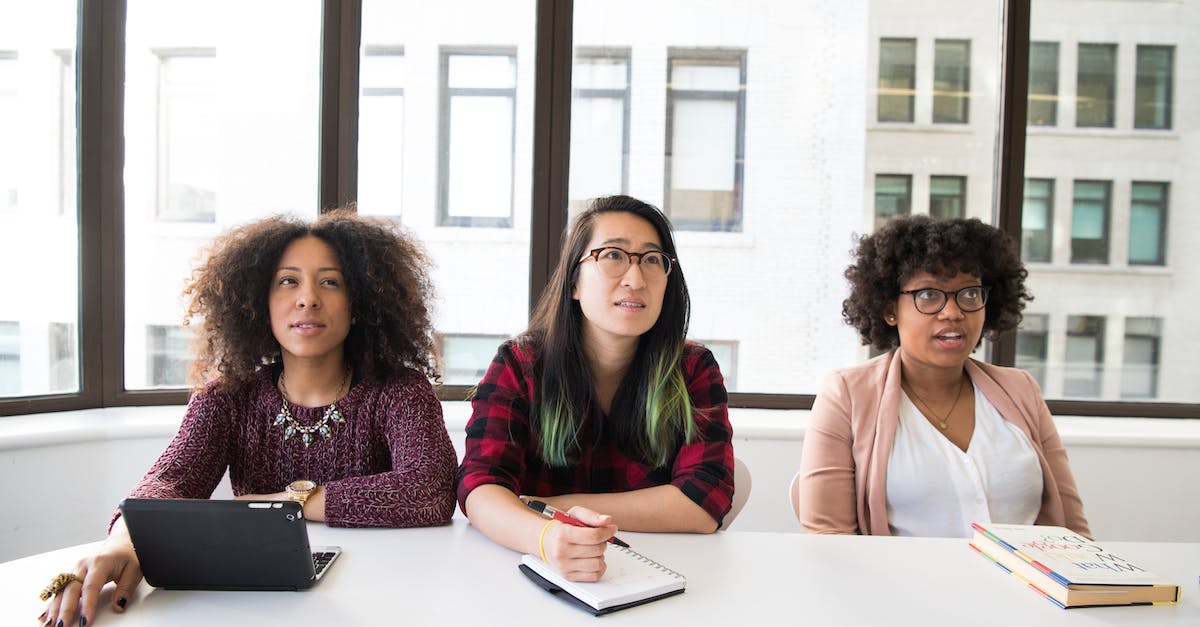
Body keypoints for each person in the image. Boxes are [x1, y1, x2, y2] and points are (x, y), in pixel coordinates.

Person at [40, 209, 458, 627]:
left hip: (382, 597)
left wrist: (283, 502)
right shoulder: (228, 398)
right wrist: (122, 544)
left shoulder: (399, 390)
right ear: (259, 302)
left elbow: (432, 489)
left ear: (360, 303)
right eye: (288, 281)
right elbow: (169, 481)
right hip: (258, 604)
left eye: (330, 281)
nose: (308, 297)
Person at [456, 195, 734, 582]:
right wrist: (547, 537)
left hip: (657, 577)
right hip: (532, 572)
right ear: (574, 281)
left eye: (653, 260)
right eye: (612, 255)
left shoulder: (691, 368)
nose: (635, 279)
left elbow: (704, 502)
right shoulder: (519, 363)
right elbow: (480, 487)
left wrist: (557, 507)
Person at [797, 215, 1090, 538]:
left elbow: (1073, 534)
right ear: (890, 308)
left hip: (1021, 588)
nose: (953, 312)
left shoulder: (1021, 390)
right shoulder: (846, 395)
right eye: (928, 295)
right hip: (897, 587)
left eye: (969, 293)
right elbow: (828, 542)